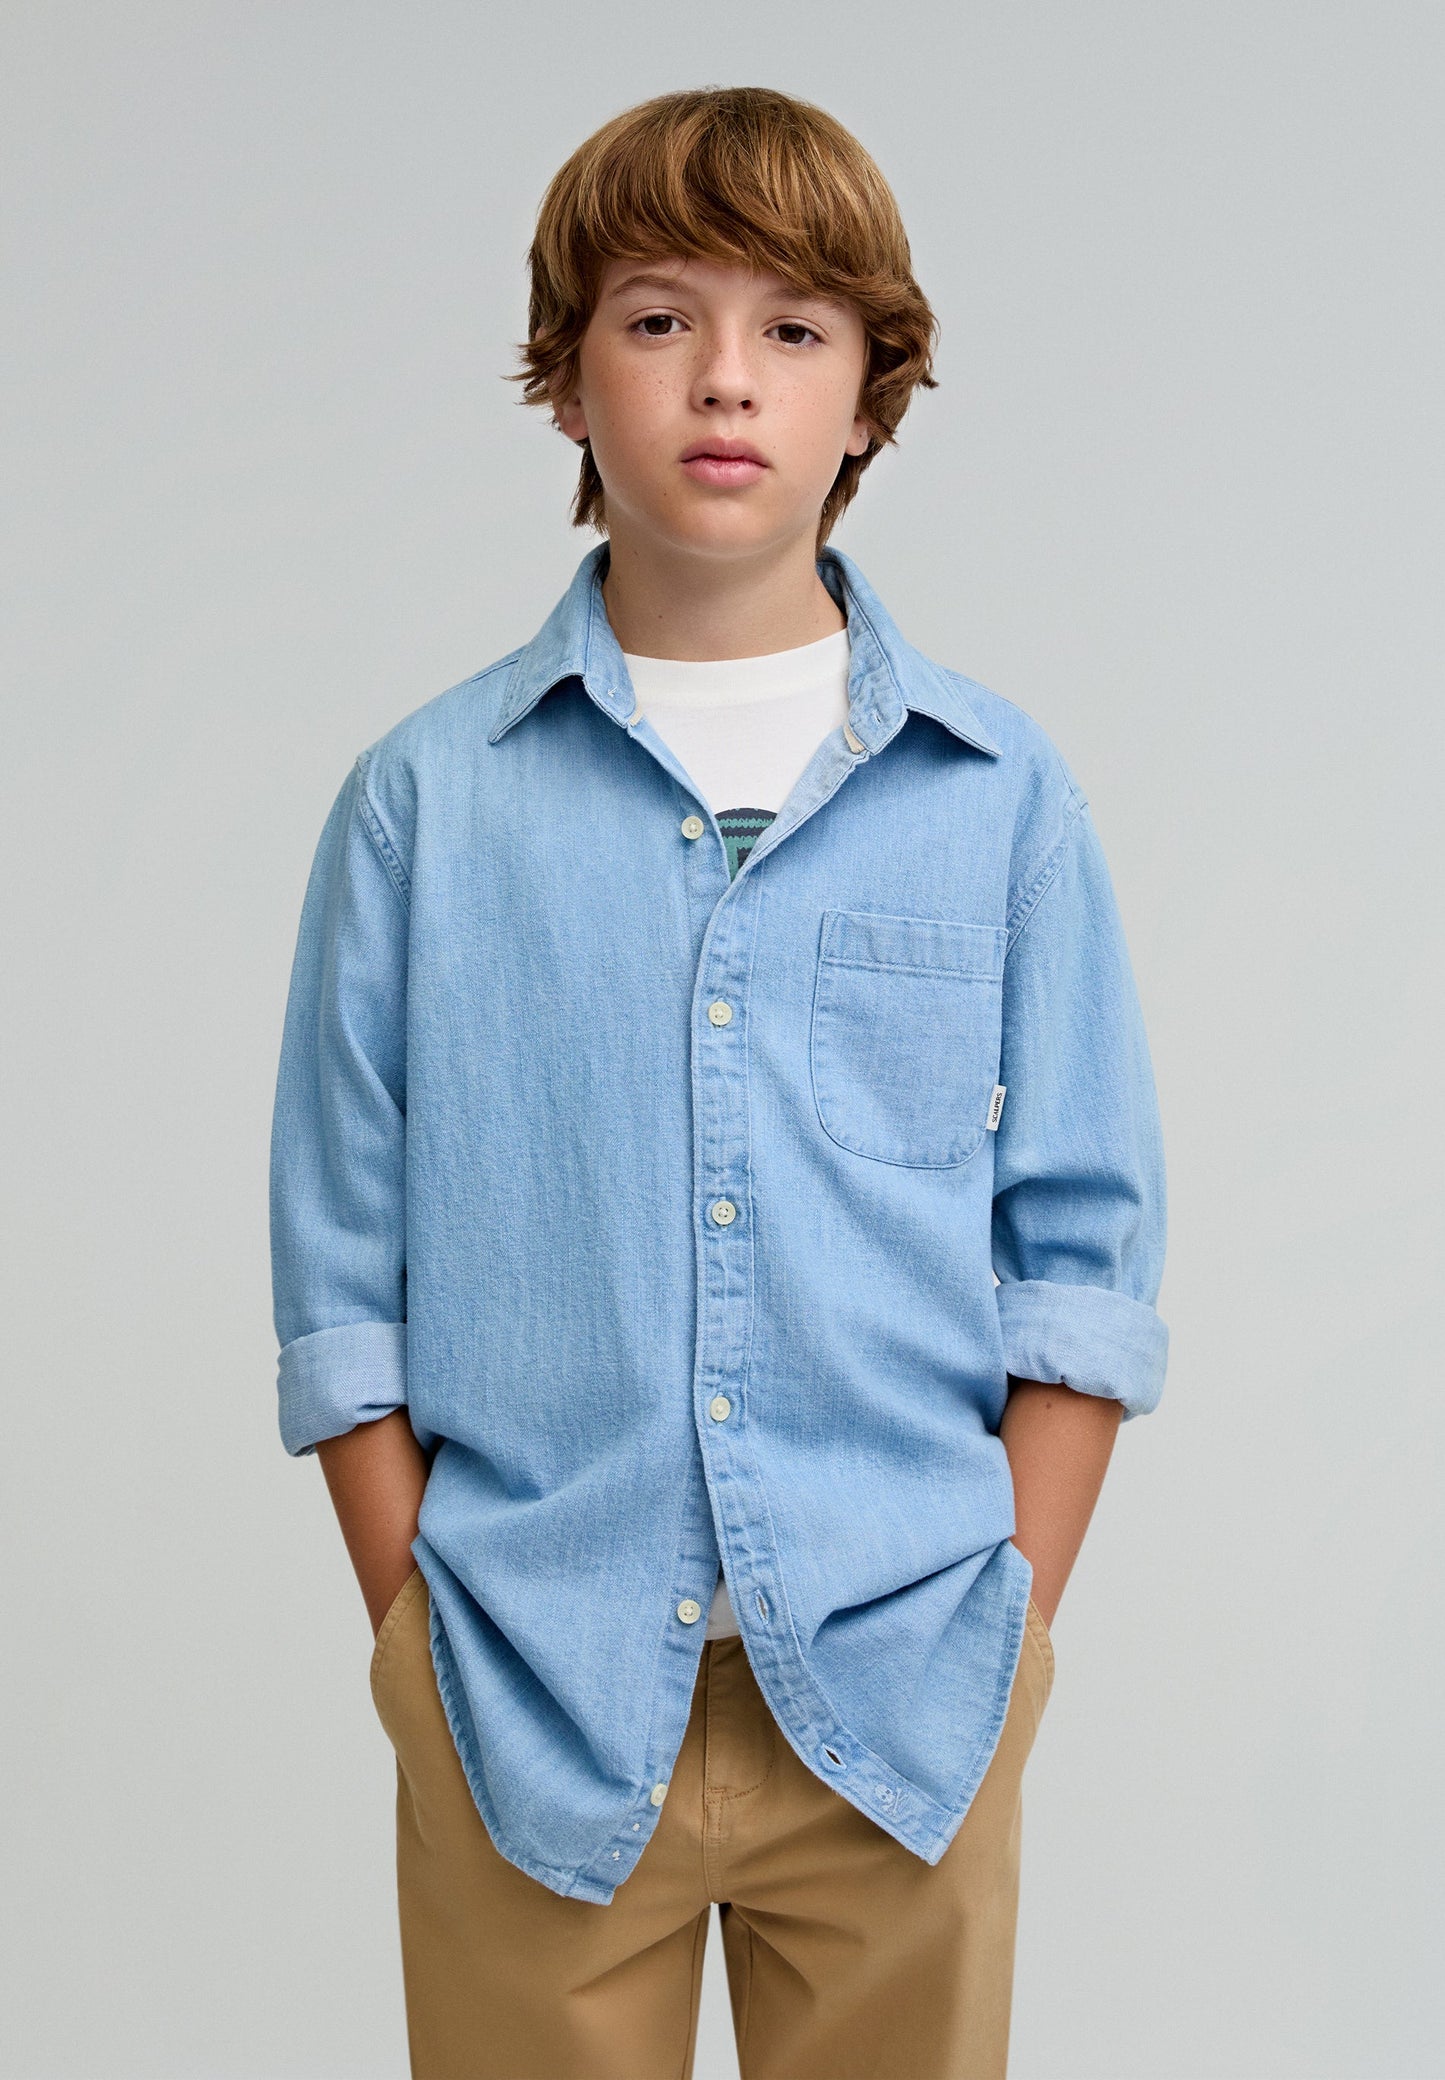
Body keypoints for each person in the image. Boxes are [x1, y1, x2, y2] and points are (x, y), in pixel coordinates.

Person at [269, 84, 1168, 2080]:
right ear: (569, 379)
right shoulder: (424, 806)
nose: (726, 379)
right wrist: (422, 1640)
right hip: (525, 1689)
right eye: (659, 319)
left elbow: (1084, 1260)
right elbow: (339, 1280)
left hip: (907, 1696)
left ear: (869, 395)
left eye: (794, 327)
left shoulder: (1000, 798)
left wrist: (1007, 1628)